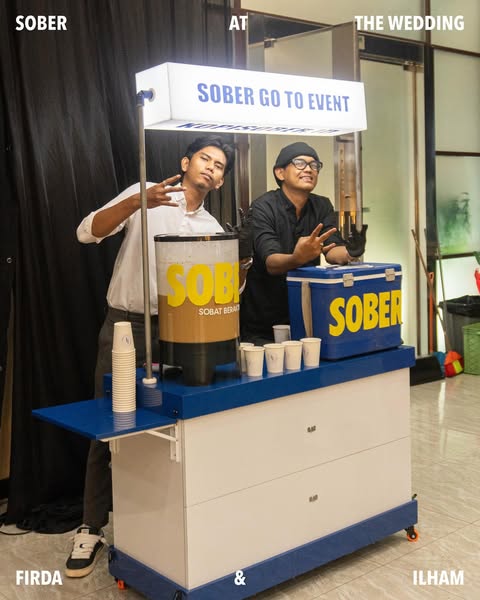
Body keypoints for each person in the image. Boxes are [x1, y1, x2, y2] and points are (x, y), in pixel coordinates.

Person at [66, 136, 235, 578]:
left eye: (220, 165)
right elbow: (87, 231)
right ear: (185, 161)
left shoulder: (211, 227)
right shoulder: (146, 195)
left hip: (181, 332)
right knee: (110, 422)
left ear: (220, 181)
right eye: (205, 158)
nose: (211, 167)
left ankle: (162, 526)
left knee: (174, 425)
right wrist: (136, 203)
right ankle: (91, 526)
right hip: (127, 326)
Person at [241, 141, 367, 346]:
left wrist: (351, 252)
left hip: (306, 315)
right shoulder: (263, 206)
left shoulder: (322, 205)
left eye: (314, 165)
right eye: (300, 163)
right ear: (280, 172)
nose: (309, 169)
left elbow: (332, 251)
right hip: (263, 321)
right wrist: (297, 258)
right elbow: (271, 262)